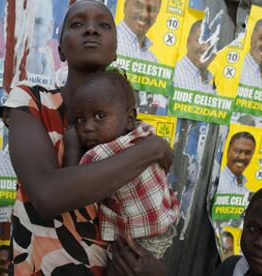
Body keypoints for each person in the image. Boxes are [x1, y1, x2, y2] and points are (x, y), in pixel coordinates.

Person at [0, 1, 172, 275]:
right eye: (77, 24)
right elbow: (47, 195)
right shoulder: (32, 101)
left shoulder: (129, 127)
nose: (91, 30)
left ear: (115, 50)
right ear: (61, 49)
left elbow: (154, 210)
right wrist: (152, 149)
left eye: (103, 25)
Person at [65, 71, 179, 258]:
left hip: (138, 241)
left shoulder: (104, 152)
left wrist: (71, 145)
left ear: (129, 119)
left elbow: (72, 190)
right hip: (163, 227)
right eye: (80, 120)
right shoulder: (144, 133)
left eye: (100, 116)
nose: (87, 127)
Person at [173, 20, 215, 94]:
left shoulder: (212, 79)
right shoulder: (174, 75)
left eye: (209, 43)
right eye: (200, 40)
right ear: (188, 41)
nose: (205, 48)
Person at [25, 0, 55, 77]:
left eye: (37, 22)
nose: (29, 30)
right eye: (23, 21)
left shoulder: (61, 81)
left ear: (49, 29)